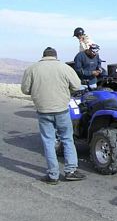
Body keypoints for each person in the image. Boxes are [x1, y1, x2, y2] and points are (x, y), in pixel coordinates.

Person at [21, 47, 86, 184]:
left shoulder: (32, 69)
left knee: (48, 142)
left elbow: (25, 89)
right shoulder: (65, 68)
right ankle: (70, 171)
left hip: (43, 111)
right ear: (55, 56)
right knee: (67, 139)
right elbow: (76, 86)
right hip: (62, 110)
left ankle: (53, 175)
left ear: (43, 56)